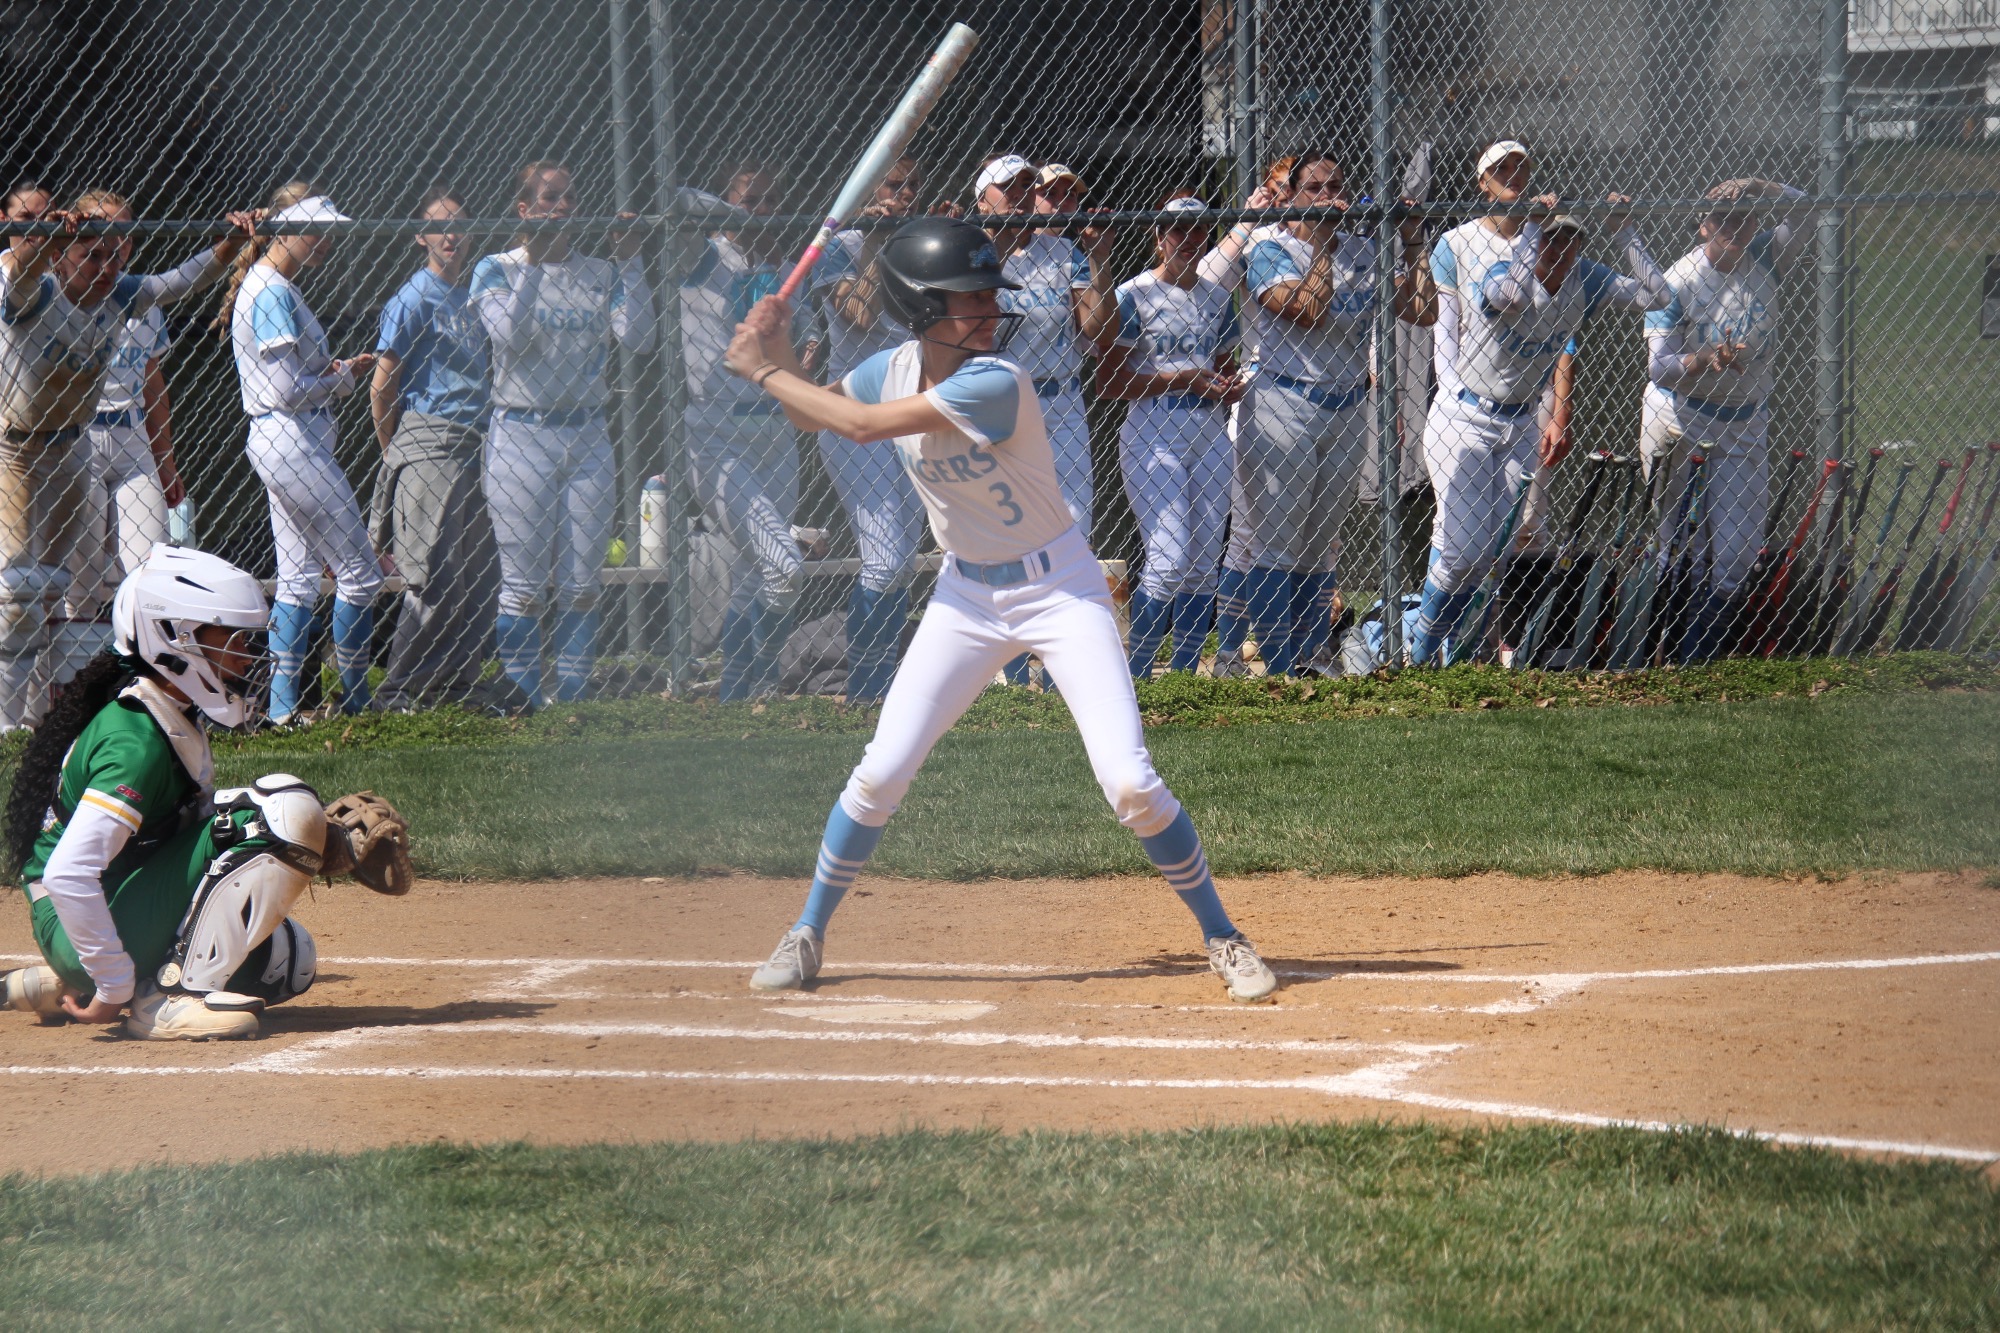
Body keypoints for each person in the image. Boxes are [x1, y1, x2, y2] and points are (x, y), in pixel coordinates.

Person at [722, 216, 1279, 1003]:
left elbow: (858, 426)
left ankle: (1223, 935)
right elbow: (812, 413)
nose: (990, 314)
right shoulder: (890, 366)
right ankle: (808, 930)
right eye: (968, 300)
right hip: (965, 596)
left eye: (990, 298)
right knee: (881, 770)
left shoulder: (996, 381)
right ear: (919, 306)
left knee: (1130, 784)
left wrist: (757, 370)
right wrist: (777, 354)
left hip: (1060, 590)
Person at [1, 548, 335, 1039]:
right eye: (235, 639)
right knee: (280, 812)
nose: (247, 655)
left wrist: (328, 842)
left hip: (105, 908)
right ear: (175, 638)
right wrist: (111, 989)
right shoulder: (133, 743)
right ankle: (167, 997)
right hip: (80, 915)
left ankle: (67, 980)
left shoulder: (166, 710)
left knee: (285, 960)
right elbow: (69, 873)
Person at [1, 188, 253, 728]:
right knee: (19, 588)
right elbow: (19, 273)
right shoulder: (37, 296)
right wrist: (45, 237)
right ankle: (8, 724)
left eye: (116, 254)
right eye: (92, 255)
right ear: (61, 255)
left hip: (70, 448)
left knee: (51, 584)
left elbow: (183, 280)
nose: (108, 267)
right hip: (16, 449)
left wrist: (229, 244)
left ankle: (68, 713)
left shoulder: (122, 297)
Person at [1410, 141, 1669, 665]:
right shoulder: (1488, 262)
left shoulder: (1582, 276)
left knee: (1492, 554)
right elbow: (1507, 298)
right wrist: (1533, 231)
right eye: (1554, 240)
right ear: (1481, 180)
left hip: (1521, 421)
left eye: (1571, 240)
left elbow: (1661, 297)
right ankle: (1418, 654)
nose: (1562, 249)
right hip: (1464, 413)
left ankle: (1456, 658)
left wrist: (1626, 234)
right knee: (1460, 550)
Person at [1228, 152, 1434, 677]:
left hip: (1346, 408)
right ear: (1291, 196)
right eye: (1314, 188)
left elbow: (1423, 309)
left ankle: (1309, 657)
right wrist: (1321, 245)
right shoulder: (1270, 247)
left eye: (1335, 185)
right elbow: (1308, 312)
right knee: (1278, 539)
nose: (1327, 196)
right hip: (1283, 405)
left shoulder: (1363, 248)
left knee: (1320, 545)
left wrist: (1412, 242)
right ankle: (1276, 666)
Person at [472, 159, 655, 706]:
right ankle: (523, 697)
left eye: (569, 198)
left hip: (588, 434)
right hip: (522, 434)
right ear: (524, 209)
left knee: (581, 585)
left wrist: (631, 261)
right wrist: (533, 256)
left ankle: (572, 697)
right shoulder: (497, 267)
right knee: (525, 587)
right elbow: (511, 338)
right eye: (549, 198)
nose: (563, 207)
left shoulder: (598, 272)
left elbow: (640, 338)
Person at [218, 182, 381, 723]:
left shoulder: (277, 285)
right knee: (360, 572)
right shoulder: (270, 291)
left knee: (298, 578)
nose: (324, 243)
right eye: (315, 231)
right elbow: (286, 390)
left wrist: (335, 377)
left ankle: (284, 709)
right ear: (285, 229)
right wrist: (338, 380)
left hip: (288, 439)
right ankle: (355, 702)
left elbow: (287, 383)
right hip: (290, 439)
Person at [1642, 177, 1809, 661]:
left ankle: (1696, 658)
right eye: (1722, 219)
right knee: (1674, 551)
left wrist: (1760, 184)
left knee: (1736, 557)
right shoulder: (1679, 280)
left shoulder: (1767, 258)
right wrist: (1704, 360)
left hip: (1745, 420)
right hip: (1682, 417)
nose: (1734, 227)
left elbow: (1809, 206)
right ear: (1703, 226)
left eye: (1745, 217)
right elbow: (1659, 367)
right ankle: (1660, 652)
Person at [369, 186, 512, 712]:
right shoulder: (414, 297)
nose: (450, 234)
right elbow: (382, 386)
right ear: (420, 236)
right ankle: (397, 690)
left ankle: (455, 683)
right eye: (438, 225)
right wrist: (396, 451)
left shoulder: (476, 292)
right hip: (431, 440)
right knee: (432, 575)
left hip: (479, 444)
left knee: (476, 574)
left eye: (459, 223)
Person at [1097, 195, 1243, 677]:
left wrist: (1231, 382)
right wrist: (1181, 378)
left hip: (1208, 429)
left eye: (1198, 230)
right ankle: (1136, 674)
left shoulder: (1218, 297)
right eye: (1177, 230)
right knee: (1168, 558)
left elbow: (1222, 369)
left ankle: (1182, 678)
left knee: (1203, 564)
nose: (1188, 239)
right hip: (1153, 428)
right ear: (1158, 237)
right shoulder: (1133, 294)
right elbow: (1110, 382)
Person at [55, 190, 188, 688]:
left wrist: (166, 462)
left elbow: (153, 384)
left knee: (149, 569)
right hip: (81, 436)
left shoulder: (139, 294)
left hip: (132, 438)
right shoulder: (64, 289)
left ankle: (146, 689)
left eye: (126, 232)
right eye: (105, 229)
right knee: (83, 581)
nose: (118, 241)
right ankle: (76, 694)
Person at [678, 163, 800, 700]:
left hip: (777, 434)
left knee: (758, 573)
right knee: (785, 564)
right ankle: (761, 680)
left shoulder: (786, 268)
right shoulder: (701, 253)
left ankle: (739, 690)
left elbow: (806, 347)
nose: (761, 210)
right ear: (727, 203)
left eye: (772, 200)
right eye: (749, 200)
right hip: (716, 432)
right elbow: (675, 196)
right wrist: (733, 215)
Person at [809, 155, 928, 701]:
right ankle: (869, 685)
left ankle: (880, 682)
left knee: (902, 561)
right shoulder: (837, 244)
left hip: (907, 411)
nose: (904, 196)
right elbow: (858, 313)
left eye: (912, 188)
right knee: (885, 556)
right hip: (851, 413)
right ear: (868, 191)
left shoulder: (919, 242)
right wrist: (876, 242)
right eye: (894, 187)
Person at [1201, 157, 1292, 677]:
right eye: (1276, 190)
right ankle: (1231, 653)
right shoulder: (1256, 241)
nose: (1285, 200)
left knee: (1320, 538)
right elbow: (1209, 278)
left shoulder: (1338, 239)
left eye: (1292, 191)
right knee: (1248, 536)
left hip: (1334, 393)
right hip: (1262, 388)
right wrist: (1247, 219)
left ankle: (1304, 650)